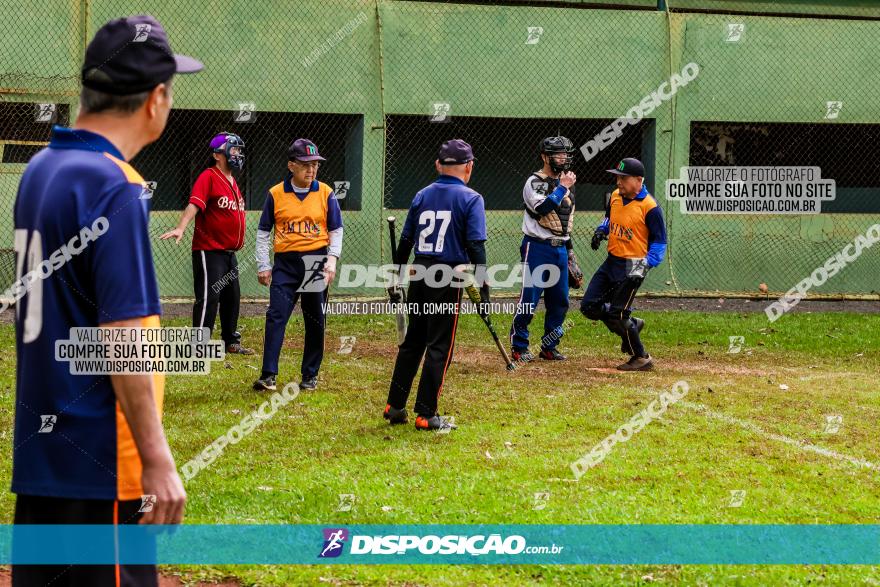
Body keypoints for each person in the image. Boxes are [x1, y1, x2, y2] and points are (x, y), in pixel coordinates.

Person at [10, 15, 201, 586]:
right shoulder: (114, 184)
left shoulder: (44, 168)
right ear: (156, 98)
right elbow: (123, 339)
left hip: (44, 459)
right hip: (100, 463)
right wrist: (157, 459)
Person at [383, 139, 489, 432]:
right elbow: (476, 246)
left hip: (419, 273)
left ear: (438, 165)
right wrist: (484, 288)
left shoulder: (422, 195)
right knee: (439, 346)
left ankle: (394, 406)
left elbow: (405, 241)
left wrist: (396, 274)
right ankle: (426, 414)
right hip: (448, 277)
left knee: (413, 342)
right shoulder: (472, 198)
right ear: (469, 167)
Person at [252, 139, 343, 392]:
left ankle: (310, 375)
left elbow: (336, 229)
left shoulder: (325, 192)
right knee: (276, 315)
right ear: (291, 165)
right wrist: (263, 264)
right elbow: (263, 232)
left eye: (315, 164)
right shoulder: (275, 194)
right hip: (286, 265)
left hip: (315, 261)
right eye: (305, 164)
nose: (311, 169)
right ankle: (268, 374)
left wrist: (332, 260)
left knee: (315, 318)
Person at [160, 132, 254, 355]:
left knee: (232, 297)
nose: (238, 154)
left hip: (229, 253)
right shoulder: (209, 176)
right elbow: (194, 204)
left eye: (239, 150)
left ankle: (231, 340)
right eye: (233, 149)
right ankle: (198, 344)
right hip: (209, 250)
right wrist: (181, 227)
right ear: (217, 155)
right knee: (209, 296)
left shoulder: (233, 182)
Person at [580, 157, 667, 371]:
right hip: (612, 261)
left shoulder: (650, 207)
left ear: (638, 180)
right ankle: (633, 325)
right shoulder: (616, 196)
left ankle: (641, 357)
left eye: (623, 178)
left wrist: (645, 265)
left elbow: (659, 242)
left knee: (617, 314)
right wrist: (602, 230)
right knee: (589, 306)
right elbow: (610, 219)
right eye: (617, 177)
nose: (619, 182)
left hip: (634, 264)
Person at [509, 136, 577, 362]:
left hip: (559, 249)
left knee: (560, 301)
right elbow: (542, 208)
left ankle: (550, 346)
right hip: (536, 247)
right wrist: (562, 187)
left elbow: (565, 223)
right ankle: (519, 347)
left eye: (566, 154)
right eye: (558, 154)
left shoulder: (567, 183)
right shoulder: (534, 181)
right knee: (529, 298)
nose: (563, 158)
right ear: (545, 157)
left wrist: (570, 255)